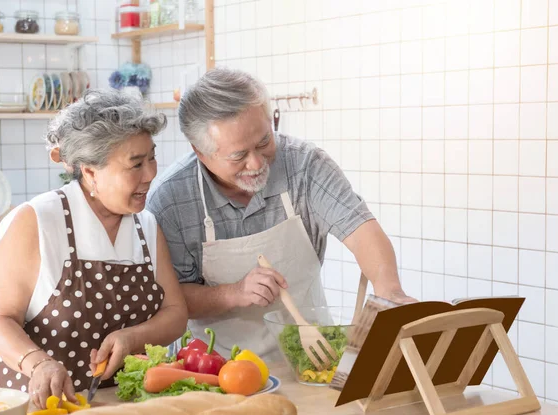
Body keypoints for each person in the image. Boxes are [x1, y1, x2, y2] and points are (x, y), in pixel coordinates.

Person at [147, 68, 416, 360]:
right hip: (218, 366)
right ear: (200, 152)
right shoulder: (171, 199)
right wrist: (233, 293)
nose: (256, 162)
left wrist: (389, 291)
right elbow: (170, 298)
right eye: (238, 155)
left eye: (264, 142)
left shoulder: (304, 165)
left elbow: (361, 229)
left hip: (313, 356)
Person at [0, 89, 188, 408]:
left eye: (151, 158)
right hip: (32, 409)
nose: (151, 174)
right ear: (90, 171)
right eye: (135, 165)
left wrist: (132, 337)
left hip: (113, 408)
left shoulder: (145, 225)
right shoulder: (37, 220)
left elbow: (175, 313)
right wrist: (37, 362)